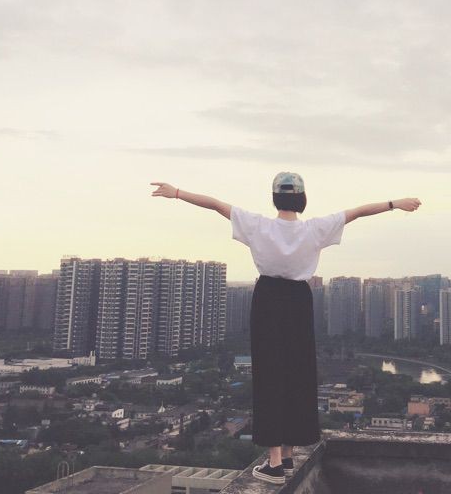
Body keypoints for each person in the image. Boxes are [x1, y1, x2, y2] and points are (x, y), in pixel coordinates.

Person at [150, 174, 421, 485]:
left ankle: (275, 462)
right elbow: (358, 212)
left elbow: (214, 204)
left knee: (270, 374)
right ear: (302, 199)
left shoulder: (258, 225)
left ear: (275, 198)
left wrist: (177, 192)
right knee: (298, 373)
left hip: (268, 298)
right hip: (299, 300)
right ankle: (289, 454)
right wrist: (395, 204)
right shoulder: (315, 228)